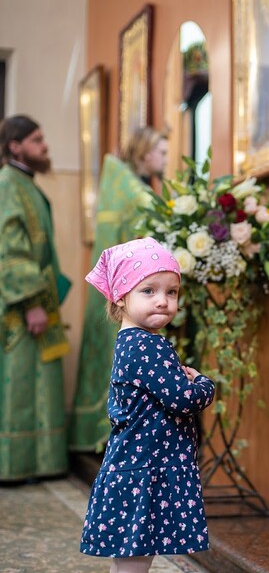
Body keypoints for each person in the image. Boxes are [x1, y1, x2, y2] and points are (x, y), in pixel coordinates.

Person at [79, 237, 215, 573]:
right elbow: (182, 399)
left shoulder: (131, 341)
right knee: (135, 566)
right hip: (144, 472)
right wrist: (203, 384)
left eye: (171, 291)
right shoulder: (148, 347)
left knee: (127, 560)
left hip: (131, 468)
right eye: (149, 290)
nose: (163, 301)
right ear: (121, 297)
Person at [69, 127, 169, 452]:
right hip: (137, 294)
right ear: (145, 153)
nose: (166, 159)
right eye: (162, 152)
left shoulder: (125, 184)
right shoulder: (136, 193)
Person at [0, 115, 70, 482]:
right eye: (36, 140)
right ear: (15, 146)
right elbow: (9, 249)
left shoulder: (25, 183)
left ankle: (37, 462)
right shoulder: (8, 184)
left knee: (39, 382)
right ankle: (14, 464)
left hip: (37, 298)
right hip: (20, 306)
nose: (45, 146)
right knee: (21, 384)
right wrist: (32, 303)